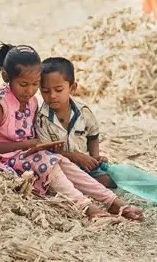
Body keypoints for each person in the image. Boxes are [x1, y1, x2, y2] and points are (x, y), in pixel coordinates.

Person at [0, 44, 143, 220]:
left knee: (64, 162)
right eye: (23, 84)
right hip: (7, 158)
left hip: (30, 153)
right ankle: (85, 206)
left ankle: (112, 201)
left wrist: (41, 145)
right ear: (6, 76)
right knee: (50, 163)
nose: (29, 90)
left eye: (35, 84)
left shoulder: (32, 102)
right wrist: (28, 144)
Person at [35, 57, 116, 188]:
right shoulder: (41, 118)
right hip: (60, 168)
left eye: (59, 90)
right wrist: (75, 157)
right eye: (45, 91)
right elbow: (45, 152)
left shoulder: (84, 113)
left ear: (72, 87)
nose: (52, 95)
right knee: (60, 186)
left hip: (86, 165)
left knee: (108, 182)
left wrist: (95, 157)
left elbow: (93, 136)